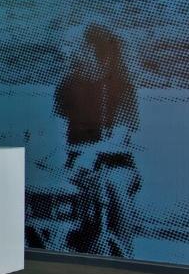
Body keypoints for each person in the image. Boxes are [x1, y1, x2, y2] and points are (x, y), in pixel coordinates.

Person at [53, 24, 141, 258]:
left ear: (92, 50)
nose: (65, 50)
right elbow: (56, 132)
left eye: (73, 45)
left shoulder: (122, 88)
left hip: (116, 166)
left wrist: (90, 154)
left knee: (112, 184)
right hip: (76, 165)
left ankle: (123, 257)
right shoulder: (66, 85)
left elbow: (120, 139)